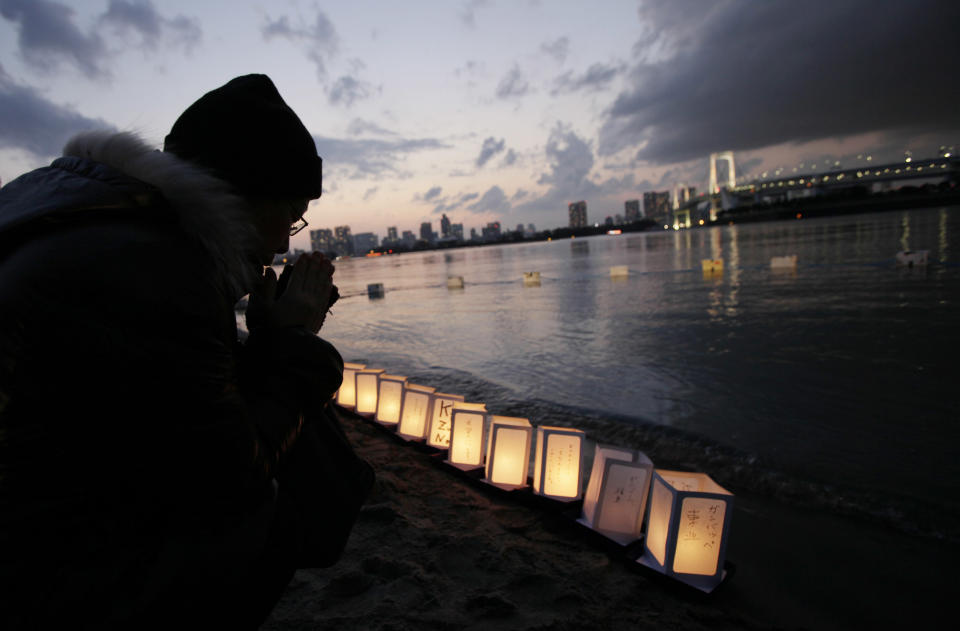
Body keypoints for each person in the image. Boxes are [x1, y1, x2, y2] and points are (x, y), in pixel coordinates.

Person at [0, 74, 370, 628]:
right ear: (242, 197)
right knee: (297, 503)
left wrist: (264, 335)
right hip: (46, 567)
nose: (284, 244)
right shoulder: (154, 267)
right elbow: (230, 475)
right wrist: (293, 342)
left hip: (36, 503)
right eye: (289, 217)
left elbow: (172, 408)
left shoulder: (88, 215)